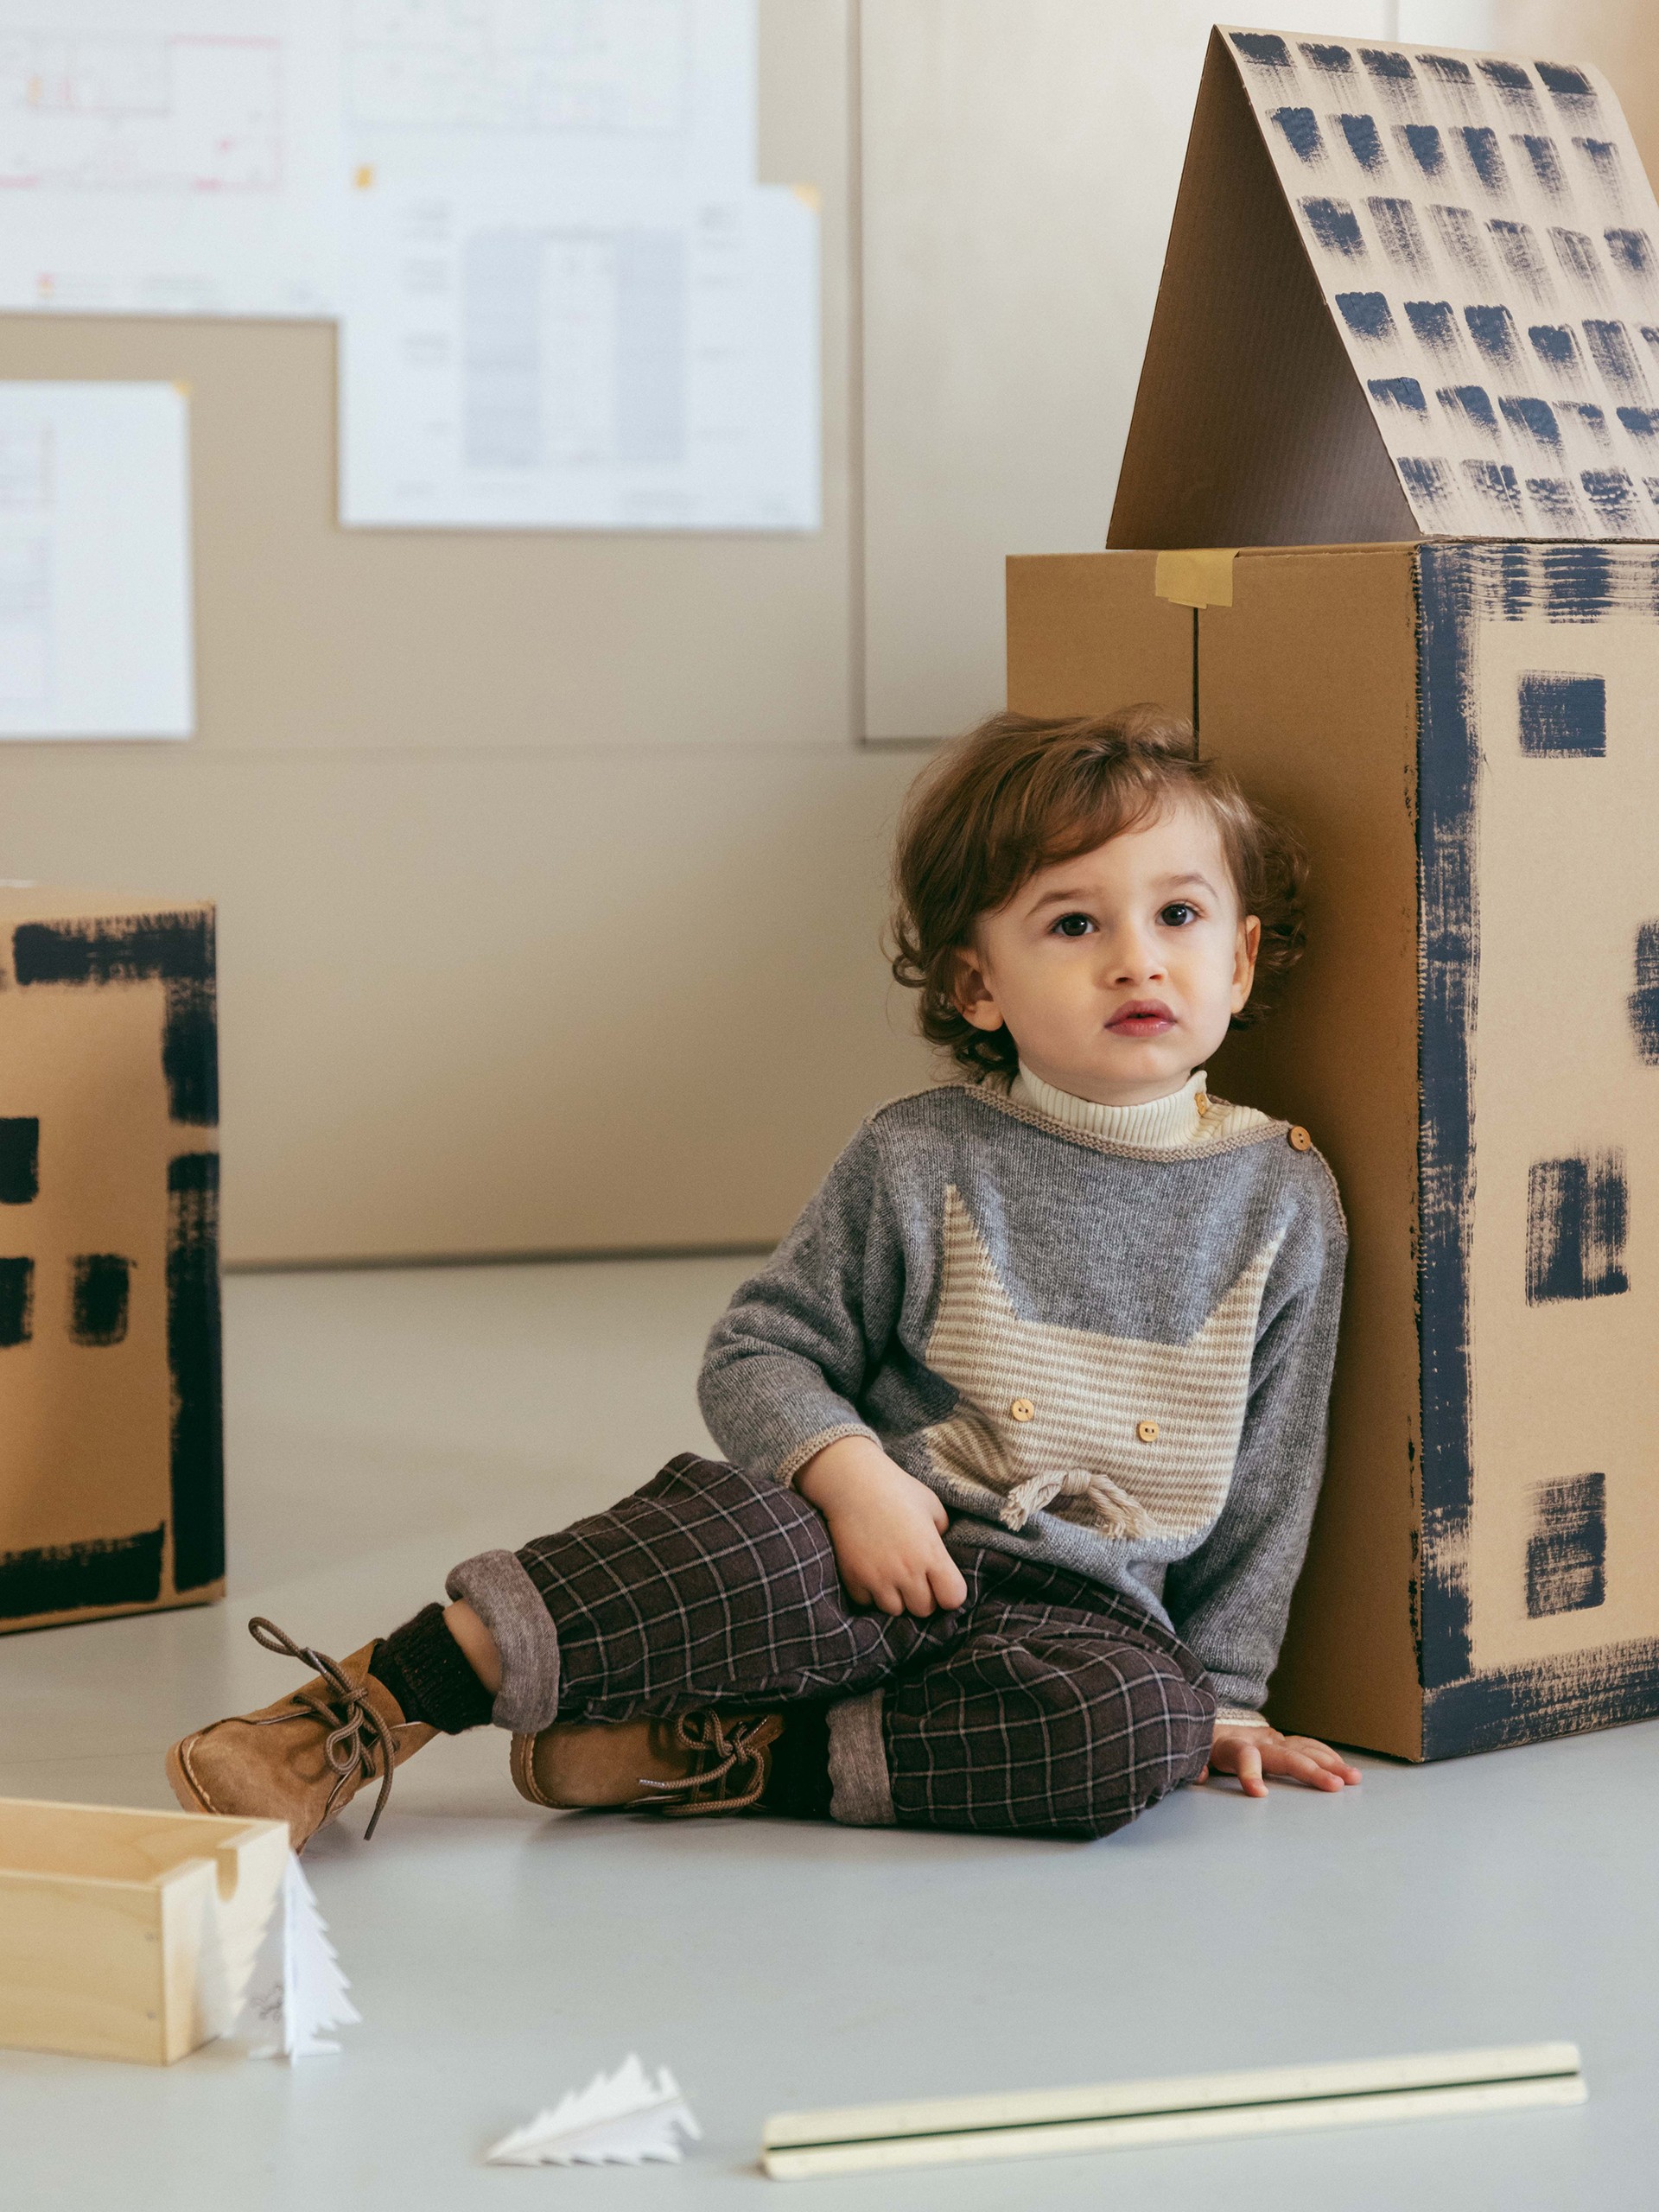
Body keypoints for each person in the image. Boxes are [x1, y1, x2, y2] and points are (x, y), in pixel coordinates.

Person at [168, 706, 1359, 1851]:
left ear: (1242, 958)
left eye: (1180, 914)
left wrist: (1234, 1695)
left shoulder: (1284, 1200)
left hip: (1076, 1621)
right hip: (864, 1549)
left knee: (1141, 1724)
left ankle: (713, 1755)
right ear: (975, 987)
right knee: (731, 1539)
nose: (1135, 960)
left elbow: (1270, 1478)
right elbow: (760, 1350)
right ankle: (361, 1711)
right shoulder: (919, 1154)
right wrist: (852, 1482)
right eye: (1073, 925)